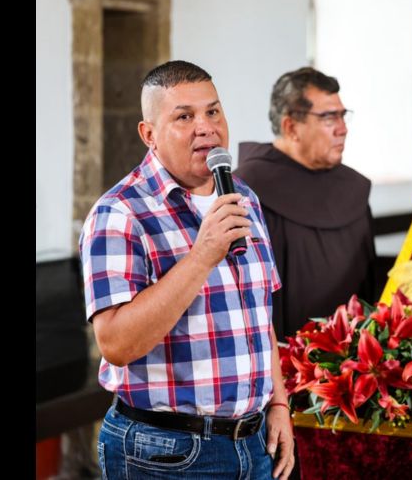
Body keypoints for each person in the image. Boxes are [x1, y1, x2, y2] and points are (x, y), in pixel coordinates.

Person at [79, 60, 294, 480]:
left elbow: (257, 316)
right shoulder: (119, 213)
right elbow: (116, 344)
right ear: (149, 134)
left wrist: (279, 403)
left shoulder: (243, 198)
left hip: (254, 443)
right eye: (184, 116)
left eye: (213, 111)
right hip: (166, 452)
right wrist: (201, 257)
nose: (206, 127)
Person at [234, 67, 376, 341]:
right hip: (280, 354)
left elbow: (368, 283)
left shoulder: (353, 188)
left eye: (343, 115)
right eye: (328, 117)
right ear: (291, 127)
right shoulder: (248, 189)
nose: (343, 129)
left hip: (355, 354)